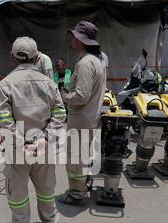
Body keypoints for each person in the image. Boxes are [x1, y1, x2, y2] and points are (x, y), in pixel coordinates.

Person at [0, 37, 67, 223]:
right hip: (44, 146)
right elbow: (60, 113)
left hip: (18, 150)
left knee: (17, 190)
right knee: (46, 189)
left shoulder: (5, 85)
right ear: (37, 57)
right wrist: (46, 138)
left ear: (12, 58)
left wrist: (22, 144)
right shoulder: (49, 83)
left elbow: (6, 120)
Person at [59, 21, 106, 206]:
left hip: (81, 119)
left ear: (81, 40)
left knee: (73, 159)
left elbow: (81, 96)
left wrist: (64, 96)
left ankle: (77, 194)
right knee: (82, 156)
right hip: (90, 118)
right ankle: (81, 185)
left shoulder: (85, 63)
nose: (72, 39)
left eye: (75, 36)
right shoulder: (97, 61)